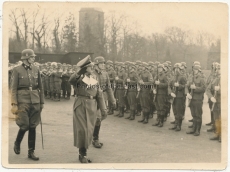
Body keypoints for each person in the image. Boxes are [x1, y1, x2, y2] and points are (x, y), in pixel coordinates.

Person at [69, 55, 107, 163]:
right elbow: (71, 80)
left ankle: (83, 153)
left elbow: (99, 94)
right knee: (83, 130)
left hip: (91, 106)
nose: (92, 68)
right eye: (90, 67)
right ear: (85, 68)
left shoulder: (93, 78)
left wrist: (103, 109)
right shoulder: (79, 77)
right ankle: (82, 154)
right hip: (80, 105)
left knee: (89, 130)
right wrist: (79, 72)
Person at [10, 49, 44, 161]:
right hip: (22, 100)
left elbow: (40, 87)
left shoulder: (36, 69)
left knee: (33, 126)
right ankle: (17, 142)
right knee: (24, 125)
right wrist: (14, 103)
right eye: (32, 57)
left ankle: (31, 152)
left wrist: (41, 102)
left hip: (35, 100)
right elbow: (13, 88)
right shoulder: (17, 70)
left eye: (34, 57)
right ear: (25, 58)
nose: (34, 58)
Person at [92, 56, 116, 148]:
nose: (103, 65)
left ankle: (93, 134)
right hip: (94, 99)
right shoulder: (91, 73)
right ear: (96, 65)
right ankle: (95, 139)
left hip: (102, 98)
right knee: (97, 118)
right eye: (101, 63)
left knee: (103, 115)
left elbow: (109, 88)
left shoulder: (105, 74)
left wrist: (113, 100)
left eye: (103, 63)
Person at [186, 64, 206, 136]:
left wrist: (195, 88)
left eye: (196, 70)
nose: (194, 71)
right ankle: (193, 129)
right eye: (194, 69)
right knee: (193, 114)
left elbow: (204, 89)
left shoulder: (201, 78)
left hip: (198, 99)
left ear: (199, 70)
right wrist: (187, 93)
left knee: (198, 115)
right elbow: (187, 86)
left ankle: (197, 130)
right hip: (191, 99)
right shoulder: (191, 77)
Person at [169, 63, 187, 131]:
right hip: (174, 96)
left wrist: (178, 86)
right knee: (175, 110)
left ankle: (179, 126)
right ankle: (175, 124)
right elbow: (169, 85)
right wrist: (170, 92)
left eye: (178, 69)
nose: (176, 70)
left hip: (180, 96)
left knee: (179, 111)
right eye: (175, 68)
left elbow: (185, 86)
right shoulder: (173, 77)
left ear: (180, 69)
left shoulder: (182, 77)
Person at [206, 63, 221, 142]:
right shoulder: (215, 79)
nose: (218, 70)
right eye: (217, 69)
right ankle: (217, 134)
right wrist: (211, 97)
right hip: (216, 102)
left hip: (223, 103)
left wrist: (220, 90)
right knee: (216, 118)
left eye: (219, 69)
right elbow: (208, 89)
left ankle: (222, 136)